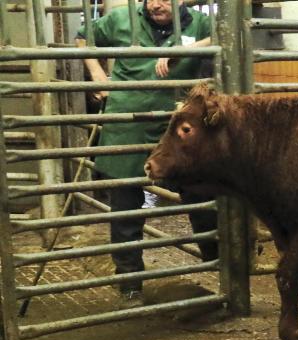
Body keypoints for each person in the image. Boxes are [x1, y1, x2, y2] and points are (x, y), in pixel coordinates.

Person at [76, 0, 217, 308]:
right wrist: (97, 74)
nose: (155, 4)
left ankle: (221, 267)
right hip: (128, 122)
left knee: (204, 198)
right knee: (126, 208)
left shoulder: (200, 23)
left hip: (178, 126)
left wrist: (185, 50)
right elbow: (83, 35)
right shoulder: (121, 19)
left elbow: (229, 36)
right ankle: (130, 284)